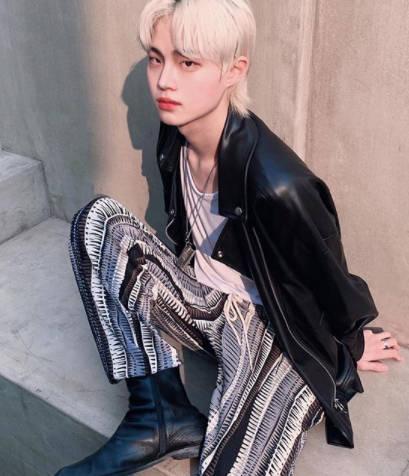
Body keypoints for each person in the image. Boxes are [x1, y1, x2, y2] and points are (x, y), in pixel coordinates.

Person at [56, 0, 404, 475]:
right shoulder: (175, 134)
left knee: (231, 467)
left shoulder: (279, 184)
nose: (164, 80)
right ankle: (160, 414)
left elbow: (328, 276)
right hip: (205, 304)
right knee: (98, 222)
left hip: (272, 336)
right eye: (156, 58)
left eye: (188, 63)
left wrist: (351, 343)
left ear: (234, 70)